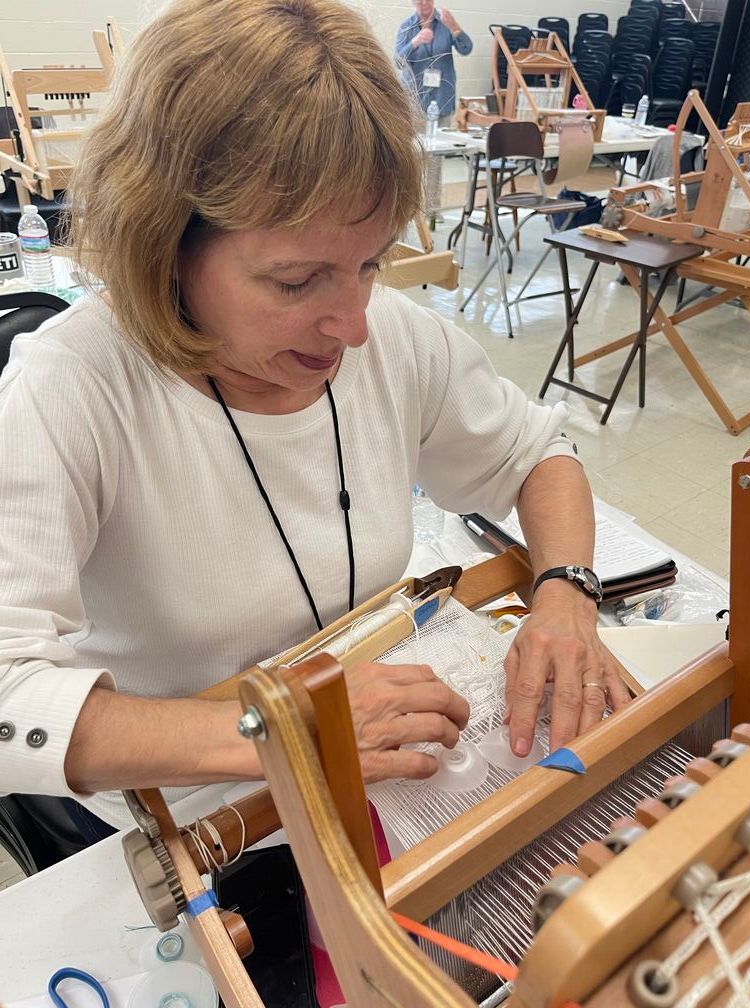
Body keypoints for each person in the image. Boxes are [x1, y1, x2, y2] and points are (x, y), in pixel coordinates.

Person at [0, 0, 628, 848]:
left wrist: (566, 593)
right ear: (165, 246)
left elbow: (535, 454)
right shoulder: (71, 390)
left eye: (368, 264)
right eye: (297, 283)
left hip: (373, 765)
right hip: (194, 817)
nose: (354, 325)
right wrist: (278, 730)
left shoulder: (395, 338)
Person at [395, 1, 473, 122]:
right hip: (415, 101)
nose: (425, 3)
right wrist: (415, 42)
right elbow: (398, 62)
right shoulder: (406, 26)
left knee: (444, 140)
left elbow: (466, 49)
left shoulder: (446, 22)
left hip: (443, 98)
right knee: (415, 140)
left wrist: (454, 26)